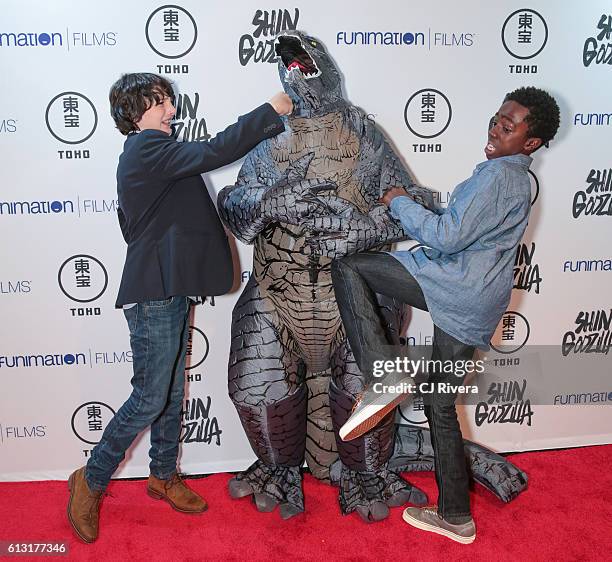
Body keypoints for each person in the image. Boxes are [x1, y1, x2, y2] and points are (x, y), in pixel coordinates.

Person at [67, 72, 292, 544]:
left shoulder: (150, 156)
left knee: (170, 393)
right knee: (150, 396)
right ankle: (91, 478)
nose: (172, 111)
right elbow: (215, 151)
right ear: (135, 114)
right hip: (154, 293)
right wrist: (273, 108)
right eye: (160, 103)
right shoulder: (146, 149)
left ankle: (163, 475)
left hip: (169, 289)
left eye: (170, 101)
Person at [331, 87, 560, 543]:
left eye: (509, 127)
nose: (496, 129)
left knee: (349, 266)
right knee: (440, 405)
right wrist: (423, 201)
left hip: (453, 289)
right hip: (475, 302)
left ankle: (384, 375)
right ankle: (456, 517)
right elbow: (466, 220)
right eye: (497, 118)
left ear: (530, 143)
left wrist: (398, 202)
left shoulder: (499, 177)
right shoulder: (512, 177)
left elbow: (448, 236)